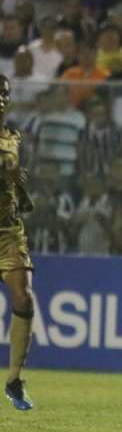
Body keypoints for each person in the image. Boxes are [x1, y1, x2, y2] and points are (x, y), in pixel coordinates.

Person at [0, 75, 36, 411]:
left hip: (8, 231)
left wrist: (18, 187)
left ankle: (14, 380)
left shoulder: (13, 137)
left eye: (4, 93)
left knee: (24, 296)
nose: (0, 98)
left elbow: (11, 179)